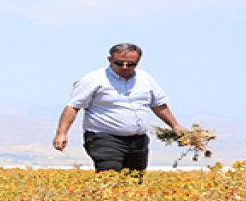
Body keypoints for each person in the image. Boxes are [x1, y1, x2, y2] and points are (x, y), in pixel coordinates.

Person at [53, 43, 185, 174]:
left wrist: (175, 126)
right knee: (110, 174)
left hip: (138, 141)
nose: (124, 67)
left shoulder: (145, 79)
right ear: (110, 59)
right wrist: (61, 133)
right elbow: (73, 107)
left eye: (130, 64)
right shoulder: (93, 80)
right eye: (119, 63)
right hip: (104, 138)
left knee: (134, 180)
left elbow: (158, 105)